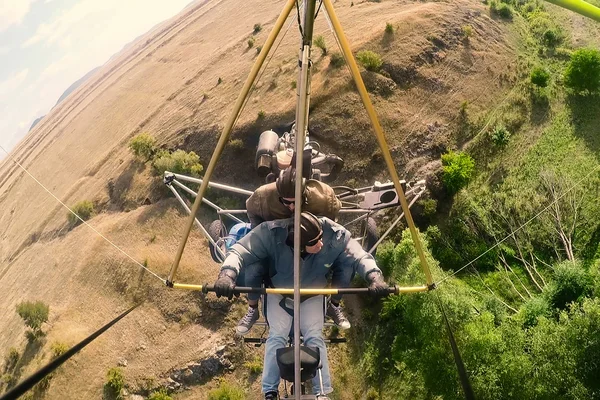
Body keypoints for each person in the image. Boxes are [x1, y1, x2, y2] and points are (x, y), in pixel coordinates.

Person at [213, 212, 390, 399]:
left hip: (311, 295)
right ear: (299, 246)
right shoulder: (270, 234)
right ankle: (269, 391)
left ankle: (322, 391)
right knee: (277, 336)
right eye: (314, 243)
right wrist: (227, 274)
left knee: (314, 336)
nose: (321, 244)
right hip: (279, 294)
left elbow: (358, 255)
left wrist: (374, 276)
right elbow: (240, 250)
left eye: (321, 238)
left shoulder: (333, 234)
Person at [238, 166, 350, 335]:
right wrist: (259, 233)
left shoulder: (324, 196)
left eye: (296, 201)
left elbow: (333, 219)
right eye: (286, 202)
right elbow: (252, 211)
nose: (291, 207)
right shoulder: (262, 197)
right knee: (253, 269)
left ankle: (333, 305)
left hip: (312, 243)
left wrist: (323, 242)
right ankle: (253, 308)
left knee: (346, 265)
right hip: (277, 245)